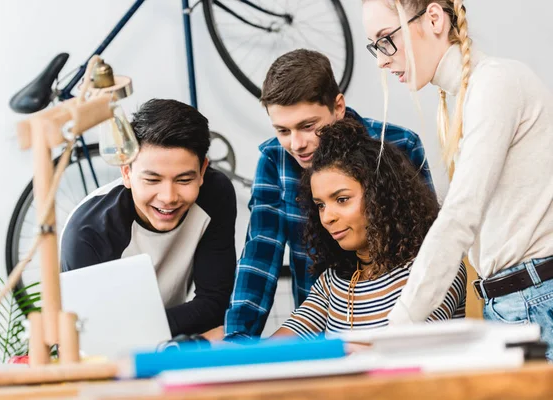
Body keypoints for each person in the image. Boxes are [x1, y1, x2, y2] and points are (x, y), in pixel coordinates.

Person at [362, 0, 553, 357]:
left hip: (536, 302)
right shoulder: (464, 98)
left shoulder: (495, 83)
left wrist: (396, 328)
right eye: (375, 46)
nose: (381, 60)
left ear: (434, 18)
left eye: (386, 40)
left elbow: (459, 217)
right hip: (516, 302)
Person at [224, 49, 435, 340]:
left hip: (403, 321)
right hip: (321, 320)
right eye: (283, 131)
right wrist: (238, 341)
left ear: (338, 106)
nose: (296, 144)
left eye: (308, 126)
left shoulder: (397, 144)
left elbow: (430, 246)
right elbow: (259, 253)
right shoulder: (275, 159)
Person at [273, 119, 466, 339]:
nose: (327, 217)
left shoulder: (435, 268)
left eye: (342, 199)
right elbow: (277, 348)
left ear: (381, 197)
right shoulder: (332, 283)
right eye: (320, 205)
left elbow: (408, 348)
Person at [60, 99, 237, 337]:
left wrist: (143, 330)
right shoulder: (88, 232)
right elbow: (93, 333)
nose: (168, 197)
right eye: (152, 180)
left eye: (184, 180)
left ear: (203, 171)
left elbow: (214, 303)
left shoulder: (215, 194)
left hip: (167, 342)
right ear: (126, 172)